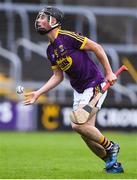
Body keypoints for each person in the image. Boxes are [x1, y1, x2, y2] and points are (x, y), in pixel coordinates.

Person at [24, 6, 124, 173]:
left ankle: (111, 146)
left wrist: (108, 72)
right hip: (79, 91)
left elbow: (97, 48)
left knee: (77, 124)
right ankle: (112, 164)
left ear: (53, 21)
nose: (39, 20)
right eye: (39, 17)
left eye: (43, 17)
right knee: (86, 134)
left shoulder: (68, 37)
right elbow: (58, 76)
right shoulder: (50, 51)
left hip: (94, 85)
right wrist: (38, 93)